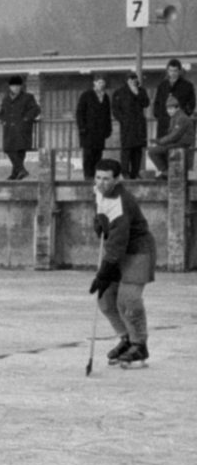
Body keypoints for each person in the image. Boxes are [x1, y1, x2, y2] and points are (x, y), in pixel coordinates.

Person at [89, 158, 155, 368]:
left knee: (127, 300)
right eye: (98, 177)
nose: (101, 183)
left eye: (106, 179)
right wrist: (98, 223)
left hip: (137, 252)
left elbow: (118, 243)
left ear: (117, 179)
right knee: (106, 299)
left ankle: (139, 344)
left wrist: (103, 273)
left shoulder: (121, 201)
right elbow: (100, 211)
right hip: (118, 252)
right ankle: (127, 339)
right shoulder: (99, 191)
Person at [0, 75, 40, 180]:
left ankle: (16, 173)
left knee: (20, 150)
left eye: (17, 86)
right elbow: (2, 112)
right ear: (9, 87)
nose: (15, 88)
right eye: (13, 86)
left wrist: (26, 119)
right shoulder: (6, 98)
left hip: (22, 128)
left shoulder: (28, 97)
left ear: (21, 86)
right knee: (8, 148)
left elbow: (36, 109)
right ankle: (20, 170)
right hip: (9, 128)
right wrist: (3, 120)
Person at [147, 94, 195, 179]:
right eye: (168, 109)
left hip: (181, 143)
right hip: (177, 142)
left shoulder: (181, 118)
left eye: (171, 109)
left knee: (152, 152)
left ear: (177, 108)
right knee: (159, 149)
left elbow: (175, 135)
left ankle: (166, 172)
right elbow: (172, 135)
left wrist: (160, 141)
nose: (169, 111)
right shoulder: (175, 117)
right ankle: (166, 172)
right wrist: (159, 141)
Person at [112, 72, 150, 179]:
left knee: (138, 149)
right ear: (126, 81)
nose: (133, 82)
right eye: (130, 80)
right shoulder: (119, 92)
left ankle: (135, 172)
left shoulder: (141, 91)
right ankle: (125, 172)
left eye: (134, 80)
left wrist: (137, 93)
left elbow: (146, 103)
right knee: (126, 149)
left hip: (139, 125)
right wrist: (123, 120)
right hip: (127, 125)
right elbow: (115, 110)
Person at [75, 75, 113, 179]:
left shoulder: (105, 97)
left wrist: (108, 129)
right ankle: (88, 176)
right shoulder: (86, 95)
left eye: (103, 83)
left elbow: (107, 114)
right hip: (88, 131)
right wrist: (82, 127)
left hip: (100, 132)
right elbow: (80, 112)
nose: (102, 85)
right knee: (88, 155)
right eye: (99, 83)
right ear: (94, 83)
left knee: (98, 154)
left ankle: (96, 175)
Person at [152, 58, 196, 144]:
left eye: (175, 71)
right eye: (170, 70)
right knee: (161, 149)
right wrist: (158, 114)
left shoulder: (187, 86)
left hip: (179, 123)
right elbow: (157, 102)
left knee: (177, 151)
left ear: (179, 71)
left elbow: (191, 104)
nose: (172, 73)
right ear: (167, 71)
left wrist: (183, 115)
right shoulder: (162, 86)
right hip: (163, 123)